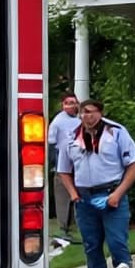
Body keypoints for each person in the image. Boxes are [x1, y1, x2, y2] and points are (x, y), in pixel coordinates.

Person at [56, 98, 135, 268]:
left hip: (111, 194)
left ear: (100, 112)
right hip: (84, 198)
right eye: (84, 112)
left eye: (92, 111)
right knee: (92, 245)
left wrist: (119, 193)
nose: (88, 116)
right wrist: (73, 194)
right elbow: (63, 170)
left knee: (117, 243)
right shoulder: (72, 136)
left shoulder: (116, 132)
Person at [47, 93, 81, 240]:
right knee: (63, 197)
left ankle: (76, 227)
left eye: (73, 102)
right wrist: (54, 164)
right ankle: (63, 229)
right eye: (67, 103)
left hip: (78, 165)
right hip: (62, 166)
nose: (71, 105)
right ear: (63, 105)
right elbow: (51, 143)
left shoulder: (79, 121)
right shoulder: (57, 122)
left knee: (77, 196)